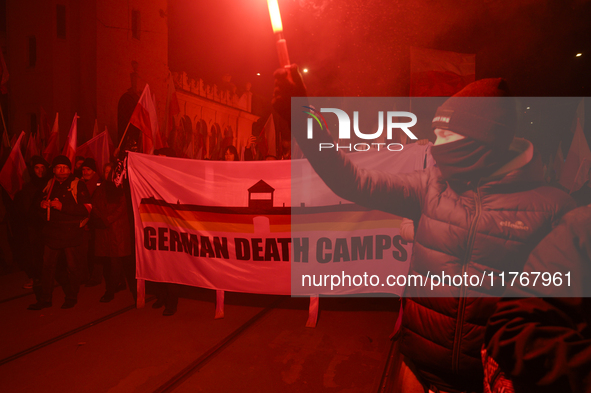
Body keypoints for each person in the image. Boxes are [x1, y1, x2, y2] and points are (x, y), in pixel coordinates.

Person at [273, 66, 576, 392]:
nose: (434, 145)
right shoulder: (430, 187)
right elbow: (349, 180)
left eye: (445, 135)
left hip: (490, 384)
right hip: (417, 374)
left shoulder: (553, 210)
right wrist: (305, 118)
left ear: (480, 140)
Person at [484, 205, 591, 393]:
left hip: (472, 352)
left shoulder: (555, 204)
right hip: (431, 362)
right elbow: (514, 324)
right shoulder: (581, 224)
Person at [28, 155, 91, 310]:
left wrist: (63, 207)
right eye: (58, 167)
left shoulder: (78, 185)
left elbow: (87, 209)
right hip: (51, 232)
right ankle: (45, 298)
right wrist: (41, 205)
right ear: (54, 170)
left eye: (65, 167)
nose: (62, 170)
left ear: (70, 170)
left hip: (71, 232)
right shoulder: (50, 184)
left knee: (72, 266)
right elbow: (38, 206)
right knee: (47, 267)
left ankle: (71, 297)